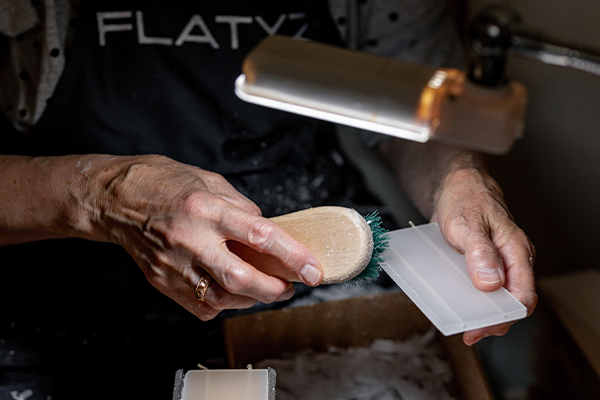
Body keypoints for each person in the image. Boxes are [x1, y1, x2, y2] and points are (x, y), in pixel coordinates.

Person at [0, 0, 536, 398]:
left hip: (310, 259)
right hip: (68, 285)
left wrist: (459, 178)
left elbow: (420, 107)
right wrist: (104, 196)